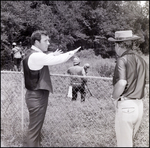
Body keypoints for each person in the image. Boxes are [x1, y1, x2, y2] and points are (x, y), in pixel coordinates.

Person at [22, 30, 80, 147]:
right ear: (37, 42)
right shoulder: (36, 56)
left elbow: (44, 57)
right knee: (34, 130)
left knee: (35, 129)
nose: (48, 43)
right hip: (37, 96)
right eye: (45, 40)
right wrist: (71, 52)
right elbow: (56, 60)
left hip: (35, 95)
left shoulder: (31, 53)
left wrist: (52, 55)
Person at [108, 30, 149, 147]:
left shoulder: (122, 59)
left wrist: (113, 97)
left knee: (124, 145)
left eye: (115, 44)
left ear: (118, 44)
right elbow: (146, 86)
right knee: (129, 143)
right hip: (139, 106)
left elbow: (122, 82)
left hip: (126, 106)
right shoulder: (142, 60)